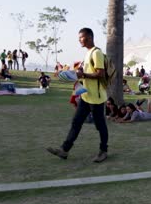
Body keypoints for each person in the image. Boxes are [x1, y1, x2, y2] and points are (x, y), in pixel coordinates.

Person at [46, 27, 109, 163]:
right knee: (76, 122)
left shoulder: (96, 53)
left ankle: (103, 151)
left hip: (96, 98)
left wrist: (83, 74)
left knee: (100, 125)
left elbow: (100, 73)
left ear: (90, 37)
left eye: (82, 37)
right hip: (85, 95)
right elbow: (85, 71)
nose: (80, 40)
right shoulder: (87, 53)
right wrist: (76, 72)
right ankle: (64, 150)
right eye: (79, 37)